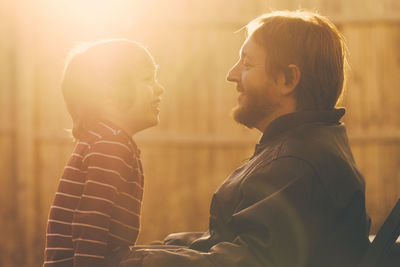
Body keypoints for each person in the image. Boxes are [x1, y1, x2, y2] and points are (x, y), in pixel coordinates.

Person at [120, 10, 371, 267]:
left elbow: (253, 260)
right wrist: (163, 249)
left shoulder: (298, 164)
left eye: (247, 64)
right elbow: (235, 242)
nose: (232, 74)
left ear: (288, 79)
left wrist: (143, 261)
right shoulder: (303, 147)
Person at [43, 39, 164, 267]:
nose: (160, 87)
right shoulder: (111, 145)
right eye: (148, 78)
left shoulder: (105, 140)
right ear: (109, 93)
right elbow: (92, 219)